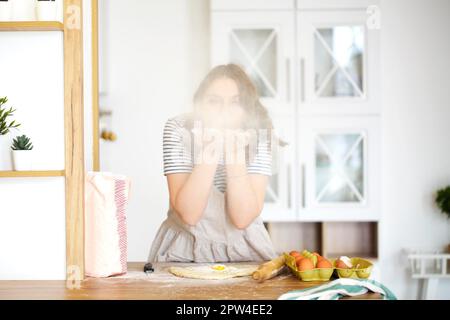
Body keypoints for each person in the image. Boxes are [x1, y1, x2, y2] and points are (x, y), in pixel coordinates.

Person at [148, 64, 279, 263]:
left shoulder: (259, 132)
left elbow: (242, 218)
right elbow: (189, 215)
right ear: (200, 103)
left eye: (235, 102)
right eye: (214, 101)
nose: (224, 111)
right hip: (183, 249)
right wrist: (210, 152)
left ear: (247, 107)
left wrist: (233, 155)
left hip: (245, 250)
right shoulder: (179, 128)